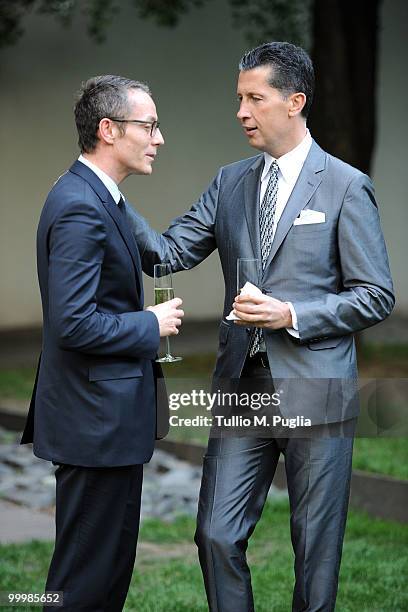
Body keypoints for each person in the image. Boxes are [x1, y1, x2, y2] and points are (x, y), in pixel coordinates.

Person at [131, 42, 395, 610]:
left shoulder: (346, 186)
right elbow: (167, 253)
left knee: (315, 551)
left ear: (295, 101)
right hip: (240, 387)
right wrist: (104, 192)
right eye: (238, 98)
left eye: (255, 98)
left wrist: (292, 314)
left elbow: (375, 296)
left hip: (318, 388)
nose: (241, 111)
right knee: (216, 534)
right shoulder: (229, 182)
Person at [21, 75, 184, 611]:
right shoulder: (79, 205)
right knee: (83, 583)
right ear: (108, 130)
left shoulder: (99, 196)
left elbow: (158, 252)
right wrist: (149, 324)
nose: (158, 138)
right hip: (93, 425)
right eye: (150, 125)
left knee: (104, 574)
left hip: (104, 423)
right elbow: (73, 324)